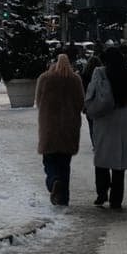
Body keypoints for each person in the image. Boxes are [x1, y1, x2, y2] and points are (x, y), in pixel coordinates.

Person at [85, 42, 127, 209]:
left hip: (104, 118)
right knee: (119, 162)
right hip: (121, 118)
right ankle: (117, 199)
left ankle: (101, 193)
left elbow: (92, 93)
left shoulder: (100, 72)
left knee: (102, 158)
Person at [34, 52, 85, 207]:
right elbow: (81, 102)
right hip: (69, 128)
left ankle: (53, 181)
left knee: (49, 160)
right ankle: (63, 199)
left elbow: (38, 101)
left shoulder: (44, 78)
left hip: (49, 127)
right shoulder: (75, 79)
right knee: (65, 165)